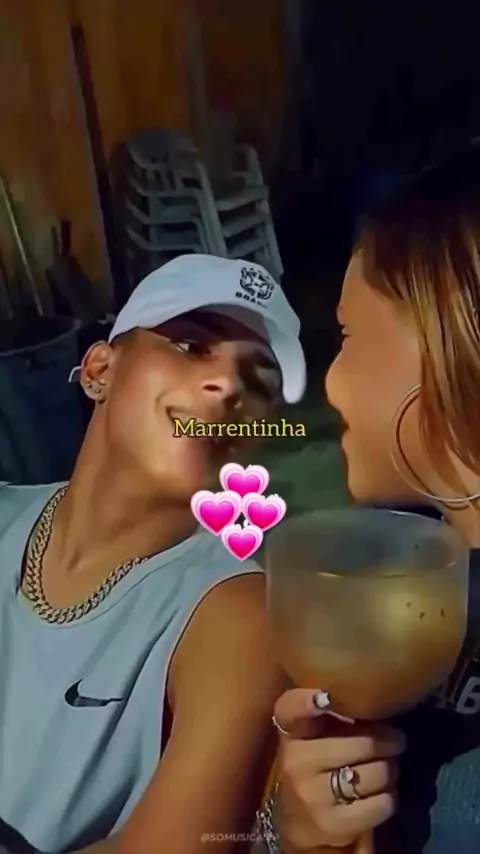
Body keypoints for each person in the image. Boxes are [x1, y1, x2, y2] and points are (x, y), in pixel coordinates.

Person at [0, 254, 307, 854]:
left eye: (259, 380)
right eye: (191, 346)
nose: (229, 387)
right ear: (100, 370)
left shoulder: (238, 617)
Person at [260, 149, 480, 854]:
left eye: (346, 336)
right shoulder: (393, 568)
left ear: (450, 335)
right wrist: (294, 831)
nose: (326, 383)